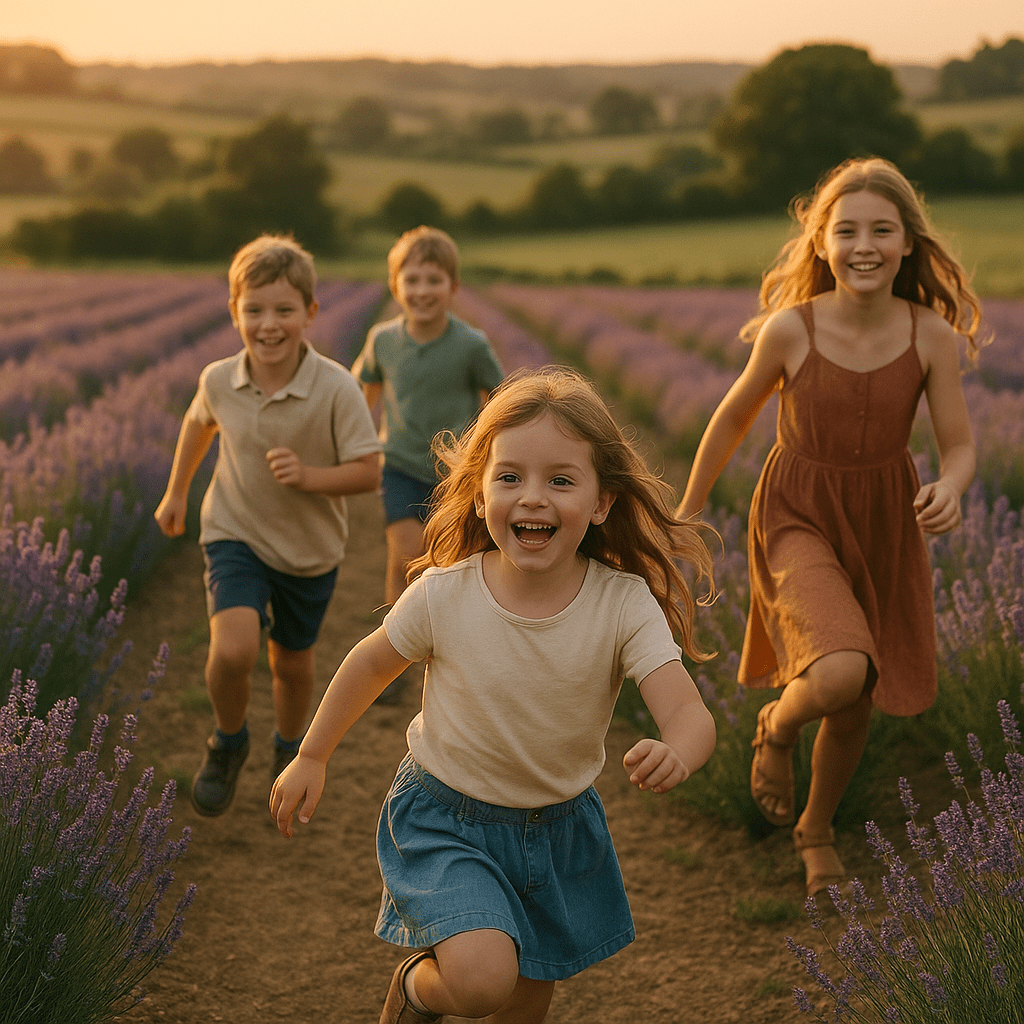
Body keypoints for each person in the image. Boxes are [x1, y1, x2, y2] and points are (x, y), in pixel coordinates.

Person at [271, 367, 717, 1024]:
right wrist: (312, 754)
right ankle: (419, 991)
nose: (531, 498)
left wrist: (680, 749)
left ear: (601, 504)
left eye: (560, 480)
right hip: (446, 820)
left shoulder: (622, 604)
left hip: (558, 831)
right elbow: (369, 665)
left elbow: (687, 711)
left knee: (522, 1001)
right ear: (480, 496)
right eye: (509, 478)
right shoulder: (446, 594)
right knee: (481, 983)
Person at [675, 157, 982, 899]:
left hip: (883, 522)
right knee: (840, 669)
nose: (865, 245)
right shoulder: (792, 328)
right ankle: (776, 729)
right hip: (797, 513)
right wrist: (687, 510)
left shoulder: (931, 336)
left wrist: (955, 485)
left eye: (883, 229)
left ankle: (816, 830)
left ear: (909, 242)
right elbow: (733, 417)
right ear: (820, 243)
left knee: (856, 696)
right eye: (846, 231)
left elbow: (961, 444)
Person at [155, 234, 382, 818]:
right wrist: (177, 490)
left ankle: (290, 748)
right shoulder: (217, 379)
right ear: (234, 313)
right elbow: (197, 423)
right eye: (253, 310)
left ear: (310, 312)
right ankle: (228, 741)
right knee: (234, 650)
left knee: (293, 663)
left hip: (309, 551)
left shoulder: (335, 387)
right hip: (234, 531)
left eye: (284, 310)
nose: (268, 324)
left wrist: (309, 477)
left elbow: (367, 472)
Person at [352, 225, 504, 704]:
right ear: (395, 287)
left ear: (453, 287)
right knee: (406, 555)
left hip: (456, 472)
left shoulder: (470, 344)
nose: (421, 291)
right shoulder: (382, 340)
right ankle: (394, 655)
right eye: (411, 280)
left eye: (433, 280)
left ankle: (447, 655)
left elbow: (499, 400)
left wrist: (490, 454)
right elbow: (364, 392)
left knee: (448, 561)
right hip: (397, 463)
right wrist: (354, 439)